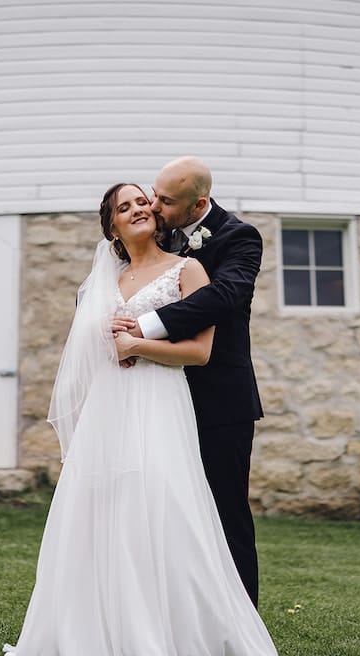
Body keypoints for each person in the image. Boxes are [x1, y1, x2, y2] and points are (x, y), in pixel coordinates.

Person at [0, 183, 278, 656]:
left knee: (166, 511)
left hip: (160, 403)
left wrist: (137, 345)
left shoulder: (190, 268)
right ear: (112, 226)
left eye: (144, 202)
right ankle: (100, 630)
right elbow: (86, 356)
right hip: (109, 409)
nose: (139, 208)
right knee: (103, 514)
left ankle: (173, 631)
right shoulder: (100, 284)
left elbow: (200, 352)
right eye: (126, 207)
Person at [112, 156, 264, 606]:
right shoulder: (156, 231)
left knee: (224, 513)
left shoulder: (239, 237)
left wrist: (145, 327)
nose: (154, 206)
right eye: (153, 196)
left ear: (198, 203)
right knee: (165, 514)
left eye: (165, 200)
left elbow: (224, 296)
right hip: (154, 399)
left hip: (218, 401)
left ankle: (240, 627)